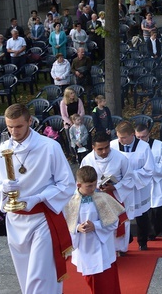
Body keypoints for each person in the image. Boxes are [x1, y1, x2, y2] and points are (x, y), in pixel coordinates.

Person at [0, 104, 75, 293]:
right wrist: (3, 188)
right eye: (9, 127)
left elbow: (67, 184)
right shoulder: (1, 150)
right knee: (25, 275)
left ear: (30, 121)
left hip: (42, 220)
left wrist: (38, 198)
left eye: (18, 126)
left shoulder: (49, 147)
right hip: (15, 221)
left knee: (40, 277)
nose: (13, 131)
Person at [65, 166, 124, 294]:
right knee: (92, 280)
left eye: (94, 184)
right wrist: (77, 227)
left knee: (107, 281)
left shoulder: (102, 198)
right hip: (84, 247)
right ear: (79, 184)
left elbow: (114, 223)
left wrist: (96, 226)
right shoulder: (70, 201)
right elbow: (65, 224)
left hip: (103, 247)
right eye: (89, 186)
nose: (93, 188)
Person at [80, 132, 132, 255]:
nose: (104, 151)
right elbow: (81, 180)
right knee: (100, 223)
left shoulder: (120, 158)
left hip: (116, 196)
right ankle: (101, 249)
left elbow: (129, 178)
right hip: (95, 197)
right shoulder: (87, 160)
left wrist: (115, 187)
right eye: (100, 149)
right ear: (93, 147)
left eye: (106, 147)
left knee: (117, 223)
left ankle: (119, 249)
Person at [110, 121, 155, 252]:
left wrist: (130, 176)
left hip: (137, 188)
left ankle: (142, 241)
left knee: (141, 216)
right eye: (118, 136)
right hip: (120, 188)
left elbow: (149, 169)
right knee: (122, 216)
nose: (120, 140)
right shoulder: (113, 145)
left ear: (132, 135)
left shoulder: (144, 147)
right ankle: (124, 243)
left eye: (123, 137)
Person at [134, 121, 162, 240]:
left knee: (159, 209)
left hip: (157, 182)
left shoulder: (158, 145)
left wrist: (152, 168)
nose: (141, 139)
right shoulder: (133, 148)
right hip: (143, 183)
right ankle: (150, 234)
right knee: (146, 210)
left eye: (143, 136)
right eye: (138, 137)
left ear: (148, 134)